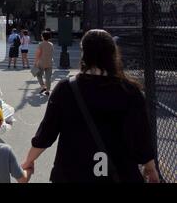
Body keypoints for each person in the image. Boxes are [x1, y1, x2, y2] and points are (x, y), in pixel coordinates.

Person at [22, 29, 160, 183]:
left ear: (84, 53)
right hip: (120, 173)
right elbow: (141, 135)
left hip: (73, 173)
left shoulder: (66, 88)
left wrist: (29, 160)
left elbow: (47, 133)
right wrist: (150, 166)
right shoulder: (130, 90)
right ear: (113, 53)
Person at [34, 30, 54, 96]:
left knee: (39, 75)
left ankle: (43, 86)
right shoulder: (51, 44)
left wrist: (35, 62)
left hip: (41, 62)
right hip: (49, 62)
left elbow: (38, 54)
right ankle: (48, 90)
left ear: (42, 37)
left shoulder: (40, 44)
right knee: (48, 77)